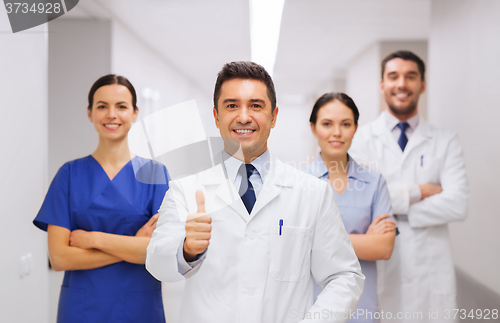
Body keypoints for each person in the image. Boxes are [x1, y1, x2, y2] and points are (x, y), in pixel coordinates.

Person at [146, 61, 364, 323]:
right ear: (216, 116)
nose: (244, 116)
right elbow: (156, 263)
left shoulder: (312, 193)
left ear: (274, 117)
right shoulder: (186, 189)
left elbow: (344, 276)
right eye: (232, 105)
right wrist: (186, 250)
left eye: (256, 105)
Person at [34, 74, 169, 323]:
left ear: (135, 113)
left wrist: (92, 239)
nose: (111, 114)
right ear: (89, 113)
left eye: (121, 106)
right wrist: (132, 245)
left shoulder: (155, 175)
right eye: (102, 106)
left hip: (139, 307)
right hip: (82, 309)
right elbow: (59, 257)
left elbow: (157, 250)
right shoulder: (69, 174)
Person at [349, 51, 468, 322]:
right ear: (382, 85)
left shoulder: (445, 141)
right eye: (393, 76)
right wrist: (419, 192)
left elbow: (457, 204)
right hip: (379, 266)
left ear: (422, 84)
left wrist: (392, 210)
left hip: (430, 269)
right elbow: (360, 202)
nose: (401, 84)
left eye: (410, 76)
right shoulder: (360, 140)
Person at [302, 92, 396, 323]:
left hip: (361, 310)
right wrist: (363, 240)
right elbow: (293, 245)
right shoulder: (299, 183)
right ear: (313, 128)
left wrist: (316, 239)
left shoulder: (375, 183)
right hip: (311, 309)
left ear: (355, 128)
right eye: (327, 124)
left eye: (345, 124)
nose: (337, 132)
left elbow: (383, 248)